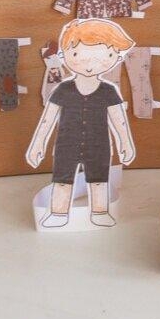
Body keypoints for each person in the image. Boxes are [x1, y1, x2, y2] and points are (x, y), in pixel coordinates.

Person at [26, 18, 136, 228]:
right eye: (78, 55)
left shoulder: (109, 91)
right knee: (62, 180)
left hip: (99, 145)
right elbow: (48, 119)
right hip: (66, 145)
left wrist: (126, 142)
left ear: (115, 57)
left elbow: (119, 120)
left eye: (104, 56)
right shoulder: (62, 90)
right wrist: (38, 143)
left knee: (99, 180)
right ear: (65, 54)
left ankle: (100, 212)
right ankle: (58, 214)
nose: (90, 64)